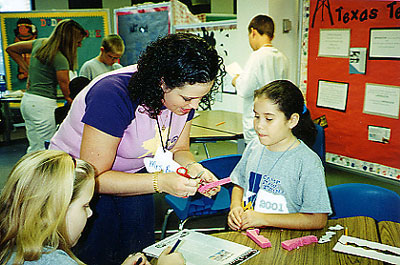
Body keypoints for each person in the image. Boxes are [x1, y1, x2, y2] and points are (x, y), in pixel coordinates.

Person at [49, 33, 225, 265]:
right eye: (187, 98)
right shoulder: (113, 95)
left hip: (132, 171)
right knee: (97, 250)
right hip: (79, 181)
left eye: (200, 98)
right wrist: (161, 182)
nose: (194, 106)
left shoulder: (186, 97)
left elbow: (179, 149)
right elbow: (95, 177)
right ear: (162, 82)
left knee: (139, 251)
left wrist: (194, 168)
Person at [0, 150, 184, 265]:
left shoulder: (12, 250)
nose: (90, 213)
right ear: (55, 210)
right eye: (85, 205)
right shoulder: (54, 261)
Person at [227, 80, 332, 231]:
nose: (259, 125)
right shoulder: (254, 146)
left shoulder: (307, 162)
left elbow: (318, 219)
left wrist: (263, 218)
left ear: (292, 120)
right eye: (256, 116)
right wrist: (235, 207)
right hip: (250, 233)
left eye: (269, 119)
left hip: (285, 240)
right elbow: (240, 184)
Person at [6, 19, 87, 153]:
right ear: (69, 40)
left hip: (28, 101)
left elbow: (11, 49)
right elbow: (66, 90)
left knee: (35, 146)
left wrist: (28, 70)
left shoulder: (39, 43)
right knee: (46, 147)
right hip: (43, 105)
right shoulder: (60, 58)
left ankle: (29, 173)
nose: (79, 45)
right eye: (78, 42)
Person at [232, 14, 289, 144]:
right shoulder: (282, 57)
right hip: (276, 121)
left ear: (253, 32)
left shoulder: (257, 57)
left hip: (258, 123)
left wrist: (236, 81)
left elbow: (245, 89)